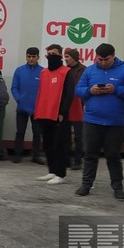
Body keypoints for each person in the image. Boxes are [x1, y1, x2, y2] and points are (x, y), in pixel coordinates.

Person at [74, 43, 124, 199]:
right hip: (92, 121)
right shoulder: (90, 70)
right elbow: (78, 90)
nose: (102, 62)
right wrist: (90, 90)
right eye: (99, 59)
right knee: (90, 155)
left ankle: (118, 188)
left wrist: (116, 90)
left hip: (115, 123)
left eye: (106, 59)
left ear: (113, 56)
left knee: (113, 156)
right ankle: (86, 185)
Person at [34, 44, 76, 184]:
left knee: (60, 145)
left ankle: (61, 174)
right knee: (47, 144)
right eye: (49, 54)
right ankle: (52, 171)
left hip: (59, 115)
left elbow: (69, 94)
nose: (51, 56)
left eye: (54, 53)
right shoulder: (44, 72)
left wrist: (63, 112)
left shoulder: (66, 72)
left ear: (60, 55)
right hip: (44, 113)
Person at [10, 47, 43, 163]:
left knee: (37, 133)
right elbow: (14, 87)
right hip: (22, 108)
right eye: (29, 56)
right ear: (26, 57)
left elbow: (45, 91)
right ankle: (17, 155)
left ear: (38, 57)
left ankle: (36, 156)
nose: (31, 59)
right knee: (20, 132)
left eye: (33, 57)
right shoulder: (19, 70)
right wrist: (19, 99)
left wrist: (41, 104)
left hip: (37, 109)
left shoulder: (43, 72)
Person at [64, 48, 86, 169]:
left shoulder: (84, 70)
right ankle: (66, 159)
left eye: (67, 56)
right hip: (66, 106)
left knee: (78, 135)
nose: (65, 59)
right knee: (66, 135)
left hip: (79, 107)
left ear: (74, 57)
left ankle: (78, 160)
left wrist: (82, 102)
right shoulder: (65, 70)